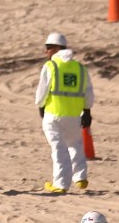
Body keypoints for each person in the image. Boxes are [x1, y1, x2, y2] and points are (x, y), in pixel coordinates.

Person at [35, 33, 92, 193]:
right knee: (75, 144)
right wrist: (87, 111)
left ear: (56, 48)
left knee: (58, 149)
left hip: (53, 114)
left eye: (48, 48)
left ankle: (60, 184)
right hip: (74, 115)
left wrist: (40, 106)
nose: (46, 52)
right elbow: (88, 91)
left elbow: (42, 90)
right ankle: (80, 177)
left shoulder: (51, 66)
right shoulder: (80, 68)